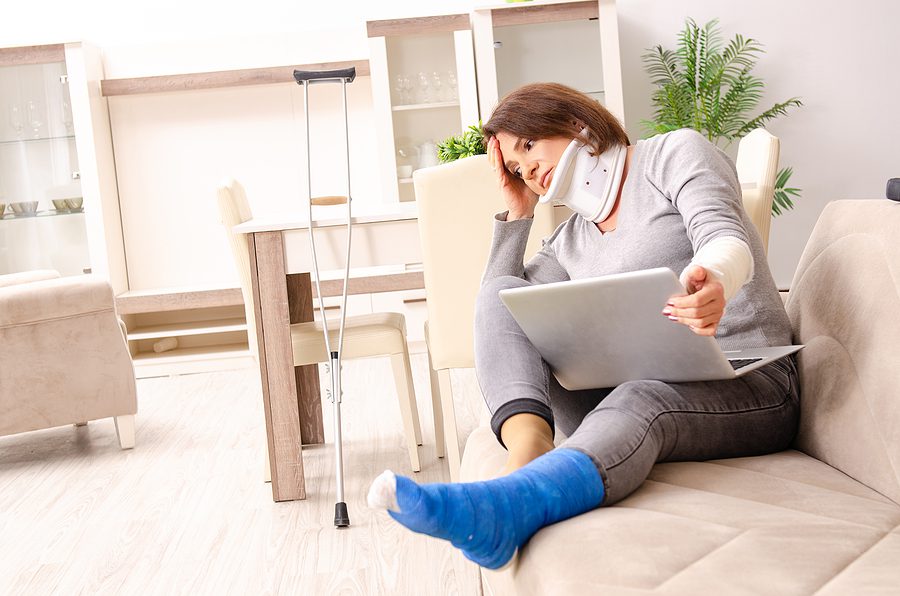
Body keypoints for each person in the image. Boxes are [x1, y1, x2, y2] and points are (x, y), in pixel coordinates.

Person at [367, 82, 799, 570]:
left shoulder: (672, 153)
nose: (526, 169)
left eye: (528, 145)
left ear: (575, 122)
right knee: (501, 294)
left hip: (747, 380)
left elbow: (723, 234)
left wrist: (716, 278)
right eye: (513, 167)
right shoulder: (568, 238)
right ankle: (523, 460)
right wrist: (517, 213)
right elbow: (499, 308)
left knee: (641, 394)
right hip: (625, 388)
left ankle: (510, 504)